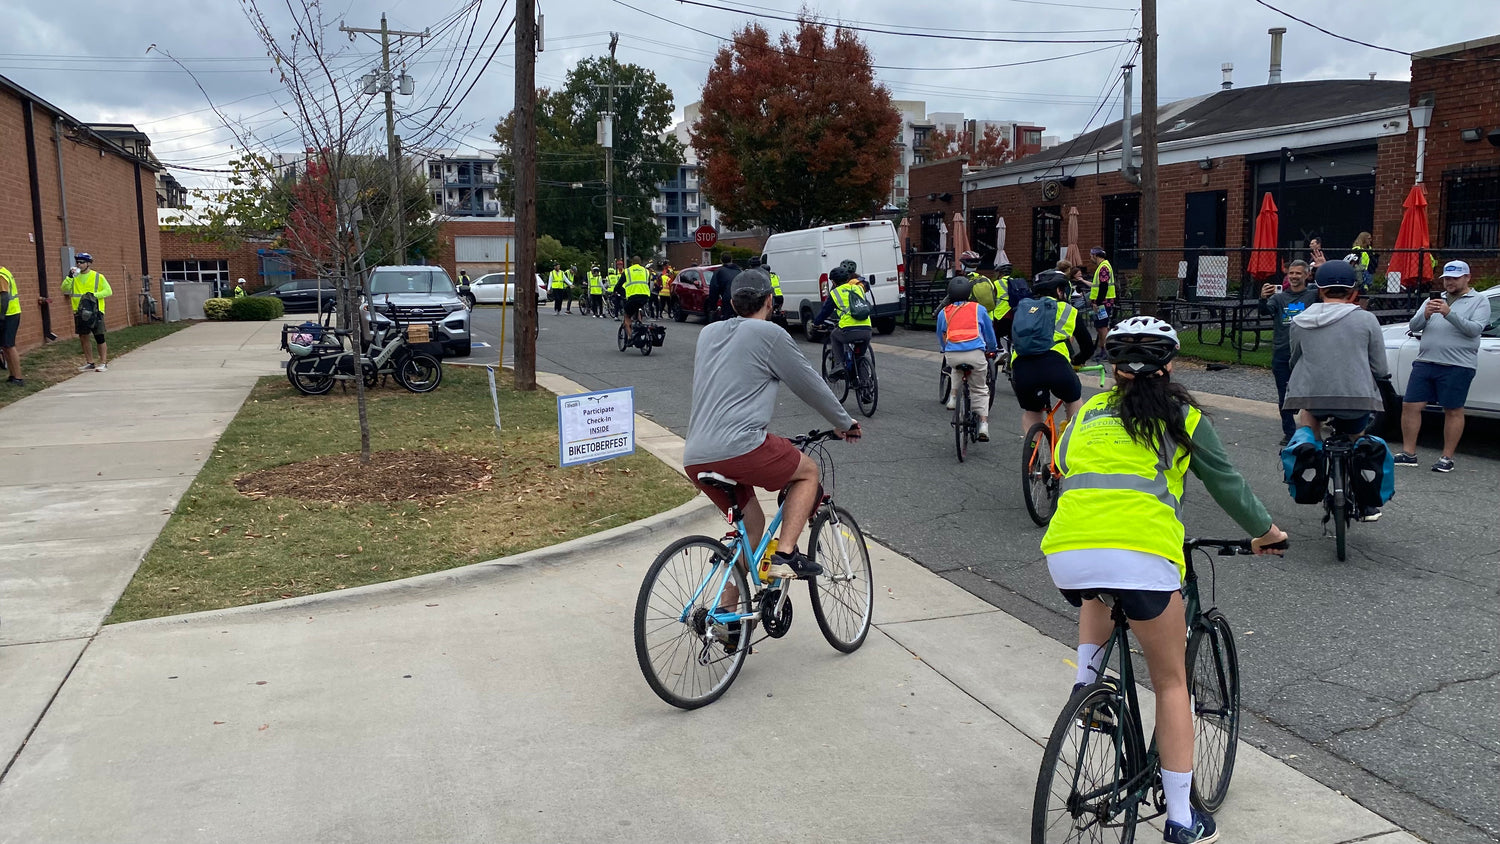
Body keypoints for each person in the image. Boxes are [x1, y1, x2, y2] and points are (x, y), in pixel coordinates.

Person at [1043, 315, 1287, 844]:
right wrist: (1266, 531)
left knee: (1098, 589)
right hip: (1143, 557)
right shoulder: (1183, 417)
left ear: (1113, 369)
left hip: (1067, 553)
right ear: (1169, 365)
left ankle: (1086, 685)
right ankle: (1181, 818)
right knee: (1172, 683)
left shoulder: (1085, 413)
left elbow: (1062, 465)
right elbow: (1227, 484)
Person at [682, 270, 861, 631]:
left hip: (697, 454)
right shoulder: (770, 334)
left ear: (732, 304)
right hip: (740, 446)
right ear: (770, 302)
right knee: (808, 470)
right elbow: (809, 383)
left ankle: (727, 620)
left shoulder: (708, 333)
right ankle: (785, 555)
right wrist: (843, 422)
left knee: (752, 526)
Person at [1281, 260, 1390, 520]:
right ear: (1352, 291)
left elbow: (1294, 358)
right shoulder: (1366, 319)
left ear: (1319, 289)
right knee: (1357, 438)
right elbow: (1380, 366)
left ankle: (1313, 455)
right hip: (1356, 397)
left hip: (1314, 396)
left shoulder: (1300, 320)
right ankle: (1366, 499)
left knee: (1308, 416)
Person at [1395, 260, 1490, 473]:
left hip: (1458, 364)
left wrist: (1449, 313)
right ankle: (1408, 453)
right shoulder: (1436, 298)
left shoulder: (1479, 301)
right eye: (1447, 278)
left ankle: (1447, 457)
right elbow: (1414, 325)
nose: (1449, 282)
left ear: (1467, 278)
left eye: (1455, 278)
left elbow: (1474, 330)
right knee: (1410, 405)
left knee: (1453, 409)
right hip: (1426, 360)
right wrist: (1426, 314)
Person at [1010, 270, 1094, 435]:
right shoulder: (1067, 309)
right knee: (1073, 399)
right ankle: (1071, 445)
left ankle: (1032, 456)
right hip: (1055, 364)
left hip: (1021, 366)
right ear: (1059, 290)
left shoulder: (1023, 308)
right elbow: (1087, 347)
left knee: (1032, 411)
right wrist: (1077, 361)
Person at [1259, 260, 1319, 444]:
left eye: (1298, 273)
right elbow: (1263, 312)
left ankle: (1311, 431)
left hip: (1307, 353)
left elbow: (1335, 296)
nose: (1293, 276)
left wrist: (1323, 267)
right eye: (1291, 273)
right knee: (1284, 394)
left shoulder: (1313, 296)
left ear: (1307, 275)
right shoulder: (1279, 298)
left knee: (1312, 394)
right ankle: (1290, 433)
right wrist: (1262, 297)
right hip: (1282, 352)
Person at [936, 277, 998, 441]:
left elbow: (941, 334)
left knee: (956, 369)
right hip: (975, 354)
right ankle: (983, 425)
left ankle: (953, 397)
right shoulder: (978, 309)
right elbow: (989, 333)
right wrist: (991, 348)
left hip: (952, 355)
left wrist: (944, 348)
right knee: (980, 389)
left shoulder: (944, 312)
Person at [814, 266, 873, 381]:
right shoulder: (858, 289)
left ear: (833, 282)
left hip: (848, 331)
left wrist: (816, 323)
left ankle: (839, 365)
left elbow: (825, 312)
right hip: (867, 329)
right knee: (860, 357)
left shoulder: (835, 293)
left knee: (834, 336)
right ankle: (866, 389)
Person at [61, 252, 111, 372]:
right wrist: (69, 277)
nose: (79, 264)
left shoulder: (98, 276)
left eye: (82, 262)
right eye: (77, 262)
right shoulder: (74, 277)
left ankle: (103, 363)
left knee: (99, 337)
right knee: (83, 337)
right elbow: (64, 289)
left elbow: (108, 291)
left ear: (88, 263)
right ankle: (90, 362)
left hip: (95, 311)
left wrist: (94, 295)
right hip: (79, 311)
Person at [1085, 247, 1117, 360]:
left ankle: (1105, 351)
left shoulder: (1103, 267)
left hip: (1103, 302)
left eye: (1091, 255)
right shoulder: (1104, 266)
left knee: (1102, 326)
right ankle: (1103, 349)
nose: (1090, 258)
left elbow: (1103, 286)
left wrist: (1097, 302)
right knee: (1100, 326)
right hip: (1103, 301)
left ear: (1096, 255)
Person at [617, 255, 652, 339]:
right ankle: (640, 323)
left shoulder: (628, 271)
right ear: (640, 263)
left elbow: (619, 285)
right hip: (645, 296)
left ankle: (631, 337)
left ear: (632, 263)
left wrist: (618, 291)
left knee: (627, 315)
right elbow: (648, 284)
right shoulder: (646, 271)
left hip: (632, 297)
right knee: (638, 307)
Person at [1, 265, 23, 385]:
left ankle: (18, 377)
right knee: (5, 346)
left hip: (9, 314)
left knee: (9, 345)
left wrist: (1, 316)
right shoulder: (4, 271)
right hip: (11, 313)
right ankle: (12, 375)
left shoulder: (1, 276)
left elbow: (4, 297)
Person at [705, 253, 741, 321]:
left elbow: (714, 289)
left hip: (727, 300)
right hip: (740, 300)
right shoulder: (739, 271)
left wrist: (713, 307)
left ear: (721, 260)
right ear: (731, 260)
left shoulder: (719, 272)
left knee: (727, 321)